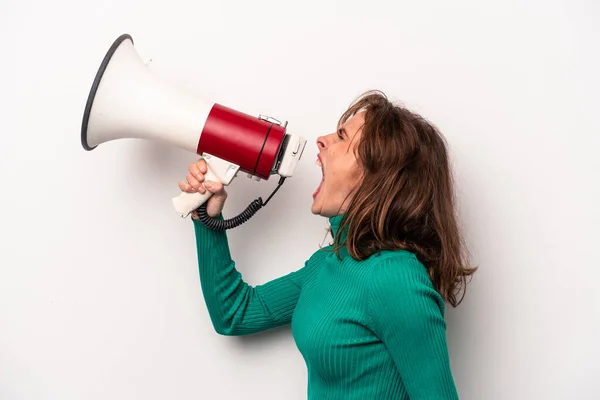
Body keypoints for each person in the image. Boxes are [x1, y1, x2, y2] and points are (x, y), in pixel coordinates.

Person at [178, 90, 476, 399]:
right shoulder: (328, 263)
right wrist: (207, 218)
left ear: (378, 175)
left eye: (342, 137)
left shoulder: (396, 277)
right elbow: (234, 314)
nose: (322, 139)